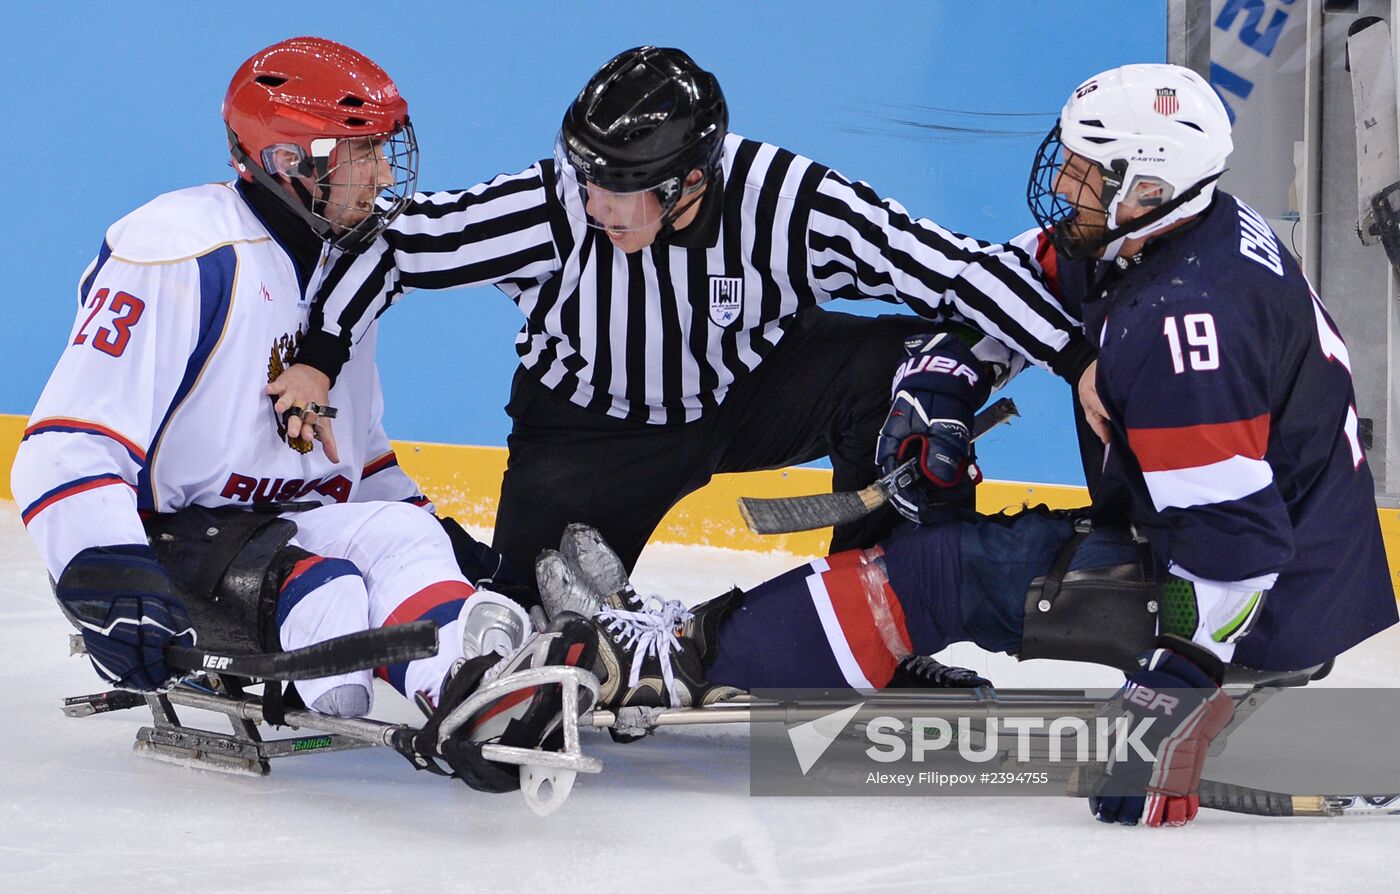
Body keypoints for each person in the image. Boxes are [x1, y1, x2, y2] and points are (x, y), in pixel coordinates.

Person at [536, 63, 1397, 827]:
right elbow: (1012, 284)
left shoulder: (1181, 332)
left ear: (1146, 187)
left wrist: (1172, 692)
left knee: (938, 575)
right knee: (936, 540)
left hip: (1256, 603)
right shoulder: (1157, 234)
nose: (1065, 178)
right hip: (1256, 546)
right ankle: (836, 635)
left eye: (1090, 170)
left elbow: (1234, 556)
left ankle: (680, 657)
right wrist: (939, 397)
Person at [9, 36, 611, 795]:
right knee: (325, 590)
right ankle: (401, 678)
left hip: (283, 528)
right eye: (364, 154)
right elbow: (68, 445)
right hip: (178, 540)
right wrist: (106, 574)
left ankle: (474, 685)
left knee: (401, 533)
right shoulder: (178, 250)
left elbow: (355, 465)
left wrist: (452, 546)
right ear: (293, 162)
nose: (387, 175)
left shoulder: (345, 267)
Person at [267, 45, 1105, 583]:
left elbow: (954, 271)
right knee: (519, 639)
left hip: (748, 399)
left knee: (908, 371)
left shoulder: (790, 204)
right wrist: (319, 354)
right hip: (588, 435)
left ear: (691, 183)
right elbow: (393, 243)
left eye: (617, 189)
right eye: (584, 175)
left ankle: (869, 619)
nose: (592, 202)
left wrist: (1079, 362)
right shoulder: (556, 202)